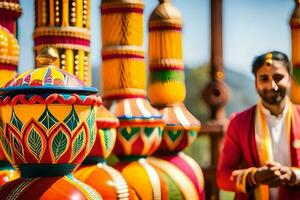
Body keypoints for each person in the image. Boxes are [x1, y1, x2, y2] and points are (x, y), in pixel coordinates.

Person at [217, 51, 300, 200]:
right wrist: (252, 177)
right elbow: (222, 176)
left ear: (289, 80)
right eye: (264, 79)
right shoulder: (239, 122)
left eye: (278, 77)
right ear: (255, 83)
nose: (272, 85)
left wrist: (293, 175)